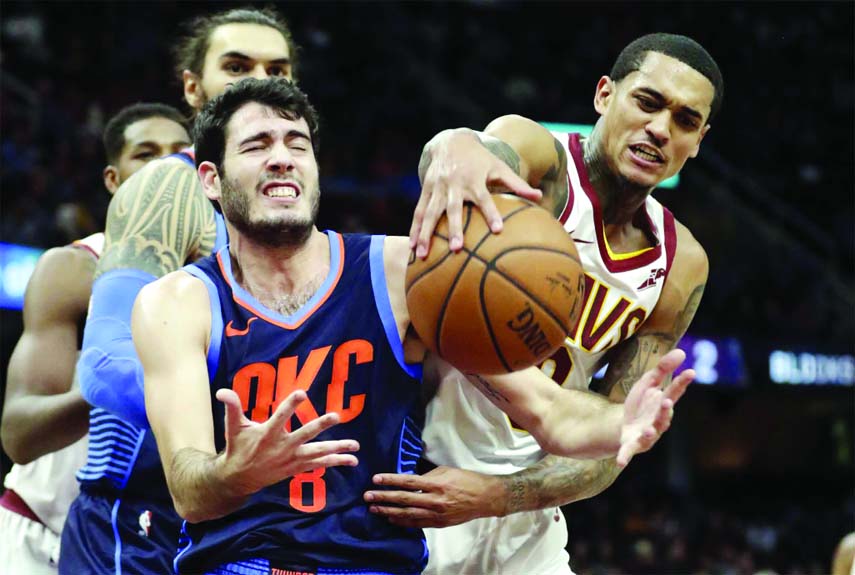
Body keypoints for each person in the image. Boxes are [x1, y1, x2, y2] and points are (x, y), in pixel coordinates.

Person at [132, 77, 692, 574]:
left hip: (374, 562)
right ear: (211, 179)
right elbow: (190, 493)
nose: (282, 159)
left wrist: (623, 423)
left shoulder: (403, 273)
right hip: (241, 562)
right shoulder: (177, 303)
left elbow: (548, 412)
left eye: (297, 145)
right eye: (257, 146)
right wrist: (239, 470)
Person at [367, 33, 721, 575]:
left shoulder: (682, 264)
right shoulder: (544, 164)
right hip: (420, 479)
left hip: (527, 515)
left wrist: (497, 496)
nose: (660, 128)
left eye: (685, 120)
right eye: (647, 102)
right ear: (605, 95)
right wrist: (453, 142)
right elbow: (474, 154)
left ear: (698, 141)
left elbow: (613, 444)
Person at [62, 7, 297, 574]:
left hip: (235, 508)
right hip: (139, 516)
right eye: (236, 65)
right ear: (194, 87)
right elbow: (104, 363)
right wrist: (236, 408)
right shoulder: (169, 187)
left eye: (277, 68)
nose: (259, 79)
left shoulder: (287, 200)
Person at [0, 102, 190, 575]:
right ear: (113, 180)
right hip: (45, 532)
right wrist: (110, 383)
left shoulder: (226, 278)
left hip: (151, 541)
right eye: (146, 154)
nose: (166, 167)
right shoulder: (75, 268)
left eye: (178, 154)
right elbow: (19, 436)